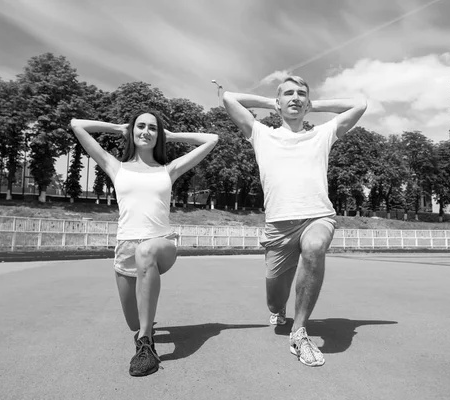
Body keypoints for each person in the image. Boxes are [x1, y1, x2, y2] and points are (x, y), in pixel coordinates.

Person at [222, 76, 367, 367]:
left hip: (318, 216)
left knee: (314, 249)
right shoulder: (261, 133)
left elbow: (359, 104)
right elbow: (228, 99)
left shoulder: (323, 134)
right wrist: (273, 103)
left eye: (302, 94)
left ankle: (299, 332)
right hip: (278, 227)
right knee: (275, 299)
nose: (295, 97)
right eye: (288, 93)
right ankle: (280, 310)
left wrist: (311, 105)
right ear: (278, 102)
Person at [70, 111, 218, 377]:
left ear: (158, 135)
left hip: (161, 245)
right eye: (140, 126)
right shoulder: (115, 166)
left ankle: (146, 344)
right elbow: (77, 125)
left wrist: (171, 135)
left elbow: (211, 138)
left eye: (152, 128)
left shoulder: (168, 170)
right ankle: (143, 328)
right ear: (132, 131)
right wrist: (119, 128)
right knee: (133, 322)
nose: (146, 132)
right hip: (126, 248)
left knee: (146, 250)